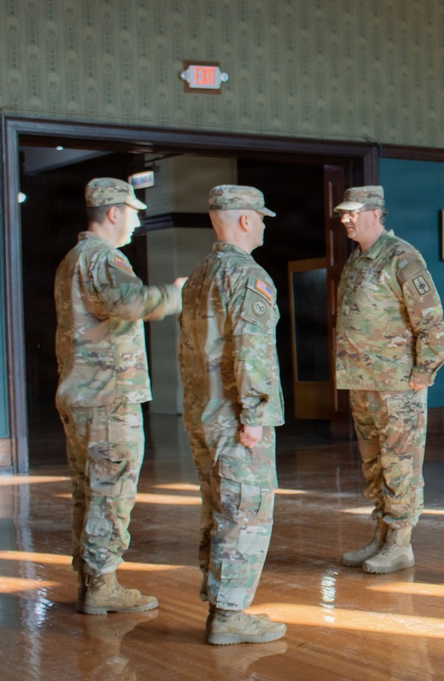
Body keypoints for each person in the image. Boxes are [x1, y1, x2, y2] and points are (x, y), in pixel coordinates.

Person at [56, 177, 184, 615]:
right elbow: (131, 303)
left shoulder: (75, 259)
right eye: (133, 213)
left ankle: (92, 579)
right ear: (114, 213)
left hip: (84, 395)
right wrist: (175, 294)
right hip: (108, 398)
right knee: (110, 492)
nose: (135, 223)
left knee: (90, 490)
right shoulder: (103, 258)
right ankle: (103, 585)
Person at [179, 185, 286, 645]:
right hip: (234, 415)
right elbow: (252, 350)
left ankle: (221, 603)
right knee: (246, 511)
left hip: (203, 411)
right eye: (260, 217)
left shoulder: (201, 273)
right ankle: (230, 614)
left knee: (220, 508)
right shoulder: (247, 275)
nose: (263, 223)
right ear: (244, 220)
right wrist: (254, 413)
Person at [335, 186, 444, 574]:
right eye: (344, 213)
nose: (345, 219)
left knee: (400, 465)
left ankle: (400, 543)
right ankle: (381, 535)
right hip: (362, 381)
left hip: (398, 385)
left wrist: (423, 373)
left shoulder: (402, 257)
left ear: (376, 213)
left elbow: (430, 318)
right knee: (374, 464)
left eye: (353, 213)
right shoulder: (358, 259)